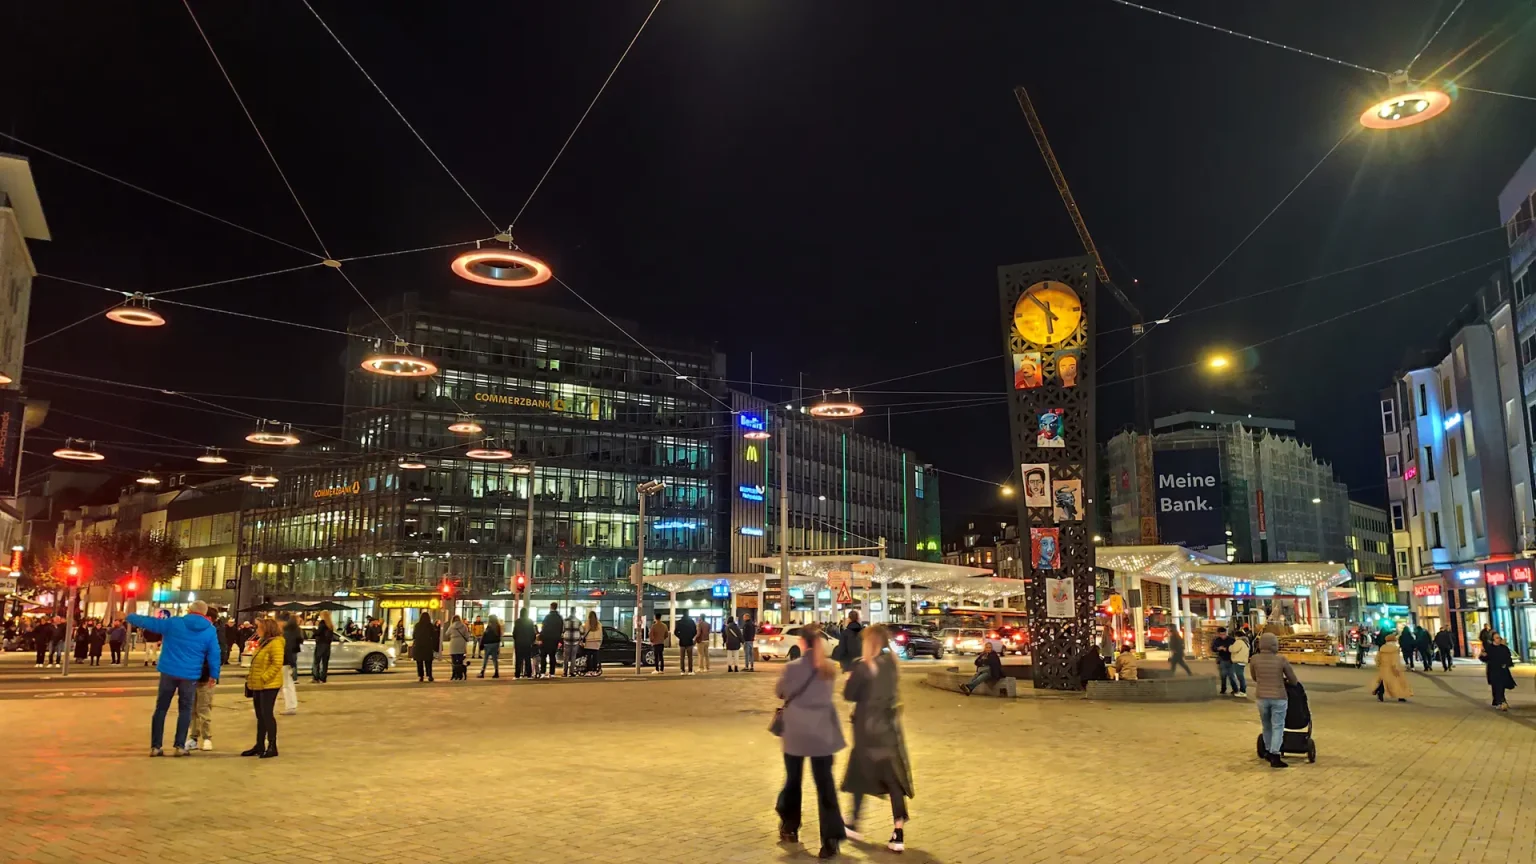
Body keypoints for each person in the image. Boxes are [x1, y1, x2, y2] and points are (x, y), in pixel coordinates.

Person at [774, 623, 847, 860]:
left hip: (796, 733)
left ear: (802, 643)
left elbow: (780, 691)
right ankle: (830, 840)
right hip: (822, 733)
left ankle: (790, 826)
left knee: (793, 780)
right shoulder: (829, 669)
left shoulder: (792, 668)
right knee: (825, 785)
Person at [841, 624, 914, 854]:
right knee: (893, 781)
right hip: (889, 730)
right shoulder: (892, 663)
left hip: (867, 730)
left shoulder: (864, 667)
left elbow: (848, 695)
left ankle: (852, 822)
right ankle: (898, 831)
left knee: (860, 772)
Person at [126, 600, 222, 757]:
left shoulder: (175, 623)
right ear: (205, 613)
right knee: (185, 710)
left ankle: (156, 746)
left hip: (168, 672)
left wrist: (130, 617)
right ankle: (179, 746)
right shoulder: (210, 630)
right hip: (190, 675)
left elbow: (151, 623)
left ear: (189, 610)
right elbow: (214, 654)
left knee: (161, 709)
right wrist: (214, 675)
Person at [1249, 632, 1299, 768]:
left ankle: (1267, 750)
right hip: (1279, 697)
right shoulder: (1281, 659)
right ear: (1274, 645)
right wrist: (1285, 681)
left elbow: (1254, 677)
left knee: (1266, 725)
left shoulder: (1254, 659)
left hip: (1261, 697)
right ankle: (1275, 755)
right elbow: (1293, 679)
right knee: (1278, 726)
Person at [243, 617, 285, 758]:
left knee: (267, 715)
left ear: (267, 629)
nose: (256, 630)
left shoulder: (276, 643)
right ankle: (259, 745)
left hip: (269, 685)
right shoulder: (264, 643)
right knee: (260, 716)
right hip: (258, 685)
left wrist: (264, 677)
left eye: (259, 627)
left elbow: (277, 663)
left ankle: (272, 746)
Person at [187, 612, 217, 752]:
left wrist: (213, 674)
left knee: (204, 709)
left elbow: (217, 655)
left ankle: (207, 737)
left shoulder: (212, 633)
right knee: (192, 710)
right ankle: (193, 737)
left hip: (205, 677)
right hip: (191, 677)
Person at [1371, 633, 1413, 703]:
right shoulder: (1395, 649)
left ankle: (1380, 692)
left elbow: (1377, 658)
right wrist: (1396, 667)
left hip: (1384, 668)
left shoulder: (1382, 648)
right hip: (1393, 668)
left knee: (1384, 682)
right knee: (1399, 683)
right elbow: (1395, 659)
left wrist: (1379, 665)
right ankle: (1401, 696)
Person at [1484, 632, 1516, 711]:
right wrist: (1482, 655)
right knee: (1496, 686)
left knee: (1501, 686)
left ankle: (1499, 701)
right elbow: (1485, 658)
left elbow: (1508, 658)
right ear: (1493, 639)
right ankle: (1500, 701)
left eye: (1499, 638)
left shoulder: (1504, 648)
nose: (1498, 639)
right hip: (1493, 670)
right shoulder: (1489, 648)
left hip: (1503, 670)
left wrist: (1507, 664)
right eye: (1497, 638)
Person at [280, 613, 303, 714]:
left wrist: (291, 663)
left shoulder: (287, 632)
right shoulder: (296, 631)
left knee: (287, 684)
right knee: (288, 683)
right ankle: (291, 706)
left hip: (286, 660)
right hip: (290, 659)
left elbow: (287, 648)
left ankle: (291, 706)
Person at [539, 603, 563, 678]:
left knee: (543, 656)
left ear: (550, 607)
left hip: (546, 639)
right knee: (552, 656)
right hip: (555, 640)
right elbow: (561, 629)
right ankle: (552, 673)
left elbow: (543, 628)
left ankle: (543, 672)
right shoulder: (559, 618)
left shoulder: (547, 617)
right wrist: (559, 639)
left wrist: (541, 638)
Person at [411, 614, 438, 682]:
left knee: (419, 662)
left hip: (419, 646)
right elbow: (434, 636)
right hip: (427, 646)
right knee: (428, 662)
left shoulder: (417, 625)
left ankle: (421, 676)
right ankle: (429, 675)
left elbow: (414, 635)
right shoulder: (430, 626)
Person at [445, 614, 471, 681]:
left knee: (454, 662)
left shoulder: (451, 626)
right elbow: (467, 636)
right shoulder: (464, 626)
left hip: (453, 644)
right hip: (461, 644)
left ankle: (454, 674)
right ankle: (460, 675)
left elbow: (446, 634)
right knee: (460, 661)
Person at [311, 611, 336, 684]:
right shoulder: (330, 625)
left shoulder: (322, 623)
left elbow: (317, 633)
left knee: (316, 661)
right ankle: (323, 678)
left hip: (320, 644)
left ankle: (316, 677)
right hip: (327, 645)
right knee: (325, 663)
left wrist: (314, 629)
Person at [511, 610, 536, 678]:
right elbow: (533, 633)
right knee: (527, 659)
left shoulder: (517, 621)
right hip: (527, 643)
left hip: (519, 643)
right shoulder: (530, 621)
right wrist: (531, 641)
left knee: (518, 659)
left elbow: (514, 633)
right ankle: (529, 674)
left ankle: (517, 674)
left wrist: (516, 640)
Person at [1211, 626, 1235, 695]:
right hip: (1222, 660)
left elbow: (1235, 648)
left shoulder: (1231, 639)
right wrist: (1218, 648)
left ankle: (1235, 689)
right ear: (1218, 634)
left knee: (1232, 676)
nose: (1223, 636)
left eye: (1224, 634)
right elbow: (1213, 648)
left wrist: (1227, 649)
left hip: (1231, 660)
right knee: (1223, 675)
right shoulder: (1217, 640)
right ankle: (1223, 689)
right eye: (1221, 634)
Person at [480, 613, 505, 679]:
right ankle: (496, 672)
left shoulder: (489, 626)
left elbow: (485, 635)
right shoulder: (498, 626)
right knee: (495, 659)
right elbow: (499, 636)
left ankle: (482, 672)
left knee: (486, 658)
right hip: (495, 644)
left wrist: (481, 644)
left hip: (488, 644)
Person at [675, 609, 699, 676]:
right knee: (690, 657)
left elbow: (675, 632)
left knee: (682, 657)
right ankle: (690, 670)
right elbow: (695, 631)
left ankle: (682, 670)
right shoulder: (691, 622)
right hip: (689, 642)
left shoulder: (679, 622)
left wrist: (680, 636)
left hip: (682, 642)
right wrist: (691, 636)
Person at [580, 611, 604, 675]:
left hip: (589, 642)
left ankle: (589, 670)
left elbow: (583, 633)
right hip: (596, 643)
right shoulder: (599, 624)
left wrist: (582, 641)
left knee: (589, 658)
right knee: (595, 658)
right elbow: (601, 634)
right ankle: (594, 670)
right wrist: (600, 643)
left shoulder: (586, 624)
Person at [1229, 629, 1250, 698]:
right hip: (1243, 661)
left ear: (1237, 636)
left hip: (1238, 661)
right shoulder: (1246, 642)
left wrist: (1230, 647)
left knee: (1240, 677)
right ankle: (1242, 690)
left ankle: (1242, 691)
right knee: (1241, 677)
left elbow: (1233, 649)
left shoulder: (1239, 642)